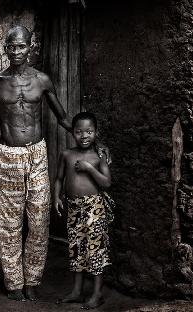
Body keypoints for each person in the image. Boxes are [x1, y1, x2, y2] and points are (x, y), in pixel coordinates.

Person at [0, 25, 74, 302]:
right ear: (5, 48)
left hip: (37, 154)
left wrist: (95, 141)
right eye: (11, 46)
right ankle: (13, 283)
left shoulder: (42, 81)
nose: (16, 51)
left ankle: (32, 280)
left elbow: (62, 118)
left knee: (38, 219)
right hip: (7, 156)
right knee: (8, 223)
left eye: (21, 46)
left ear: (30, 47)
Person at [53, 112, 113, 309]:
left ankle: (97, 294)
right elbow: (59, 179)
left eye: (89, 131)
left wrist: (89, 168)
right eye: (79, 131)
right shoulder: (67, 154)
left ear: (96, 132)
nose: (84, 135)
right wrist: (56, 197)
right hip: (73, 207)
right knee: (76, 249)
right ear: (73, 133)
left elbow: (106, 183)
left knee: (96, 250)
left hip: (94, 207)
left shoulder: (99, 156)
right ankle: (77, 291)